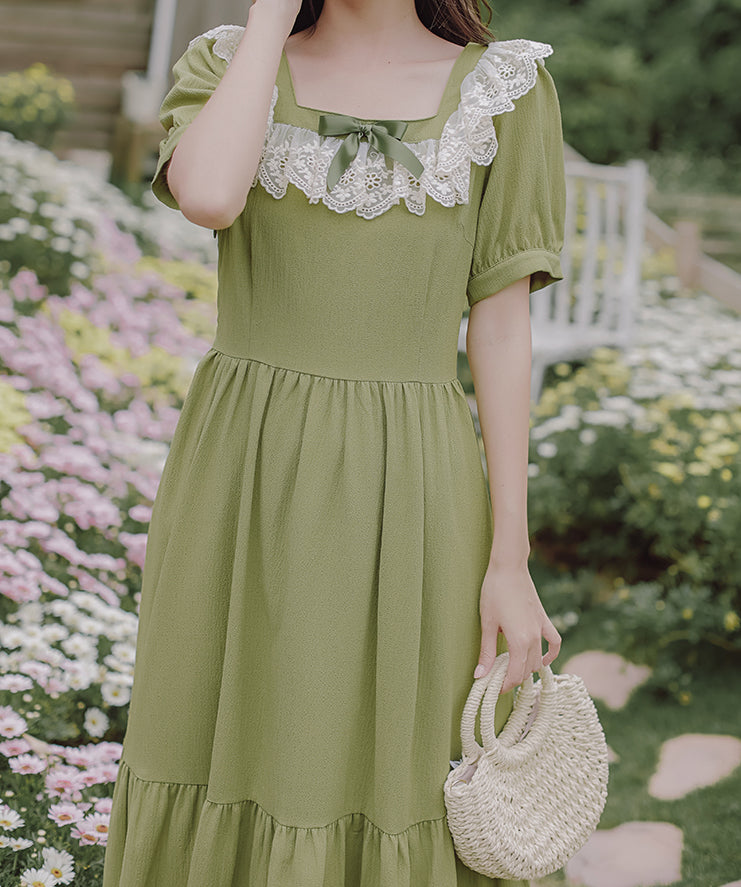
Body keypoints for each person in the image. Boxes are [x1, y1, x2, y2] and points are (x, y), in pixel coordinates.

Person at [101, 0, 566, 881]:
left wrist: (510, 557)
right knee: (210, 736)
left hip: (413, 481)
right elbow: (207, 195)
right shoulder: (230, 63)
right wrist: (272, 22)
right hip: (239, 471)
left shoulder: (507, 88)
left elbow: (500, 331)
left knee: (398, 764)